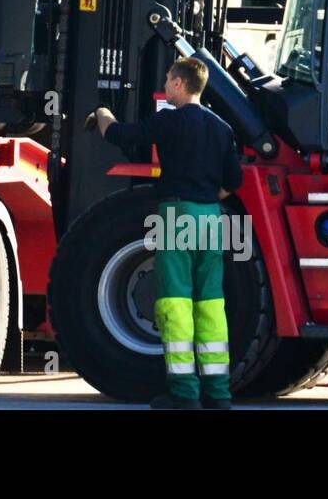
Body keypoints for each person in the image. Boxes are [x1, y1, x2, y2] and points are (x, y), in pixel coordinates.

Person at [93, 57, 242, 409]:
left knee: (175, 303)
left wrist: (101, 114)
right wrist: (206, 198)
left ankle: (185, 394)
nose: (166, 83)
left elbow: (122, 136)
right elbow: (234, 182)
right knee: (211, 304)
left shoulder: (170, 121)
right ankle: (219, 394)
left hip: (176, 214)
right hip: (211, 217)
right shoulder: (222, 128)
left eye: (167, 78)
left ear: (178, 83)